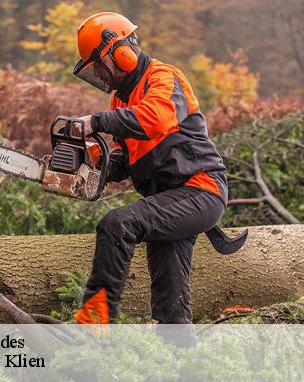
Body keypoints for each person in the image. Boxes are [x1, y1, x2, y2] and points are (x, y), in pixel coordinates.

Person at [71, 12, 228, 325]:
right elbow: (125, 159)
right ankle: (180, 357)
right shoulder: (120, 101)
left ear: (122, 53)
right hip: (170, 201)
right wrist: (92, 166)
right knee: (170, 299)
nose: (100, 76)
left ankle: (94, 323)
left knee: (118, 224)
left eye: (99, 67)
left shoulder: (163, 77)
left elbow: (154, 119)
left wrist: (96, 122)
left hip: (200, 189)